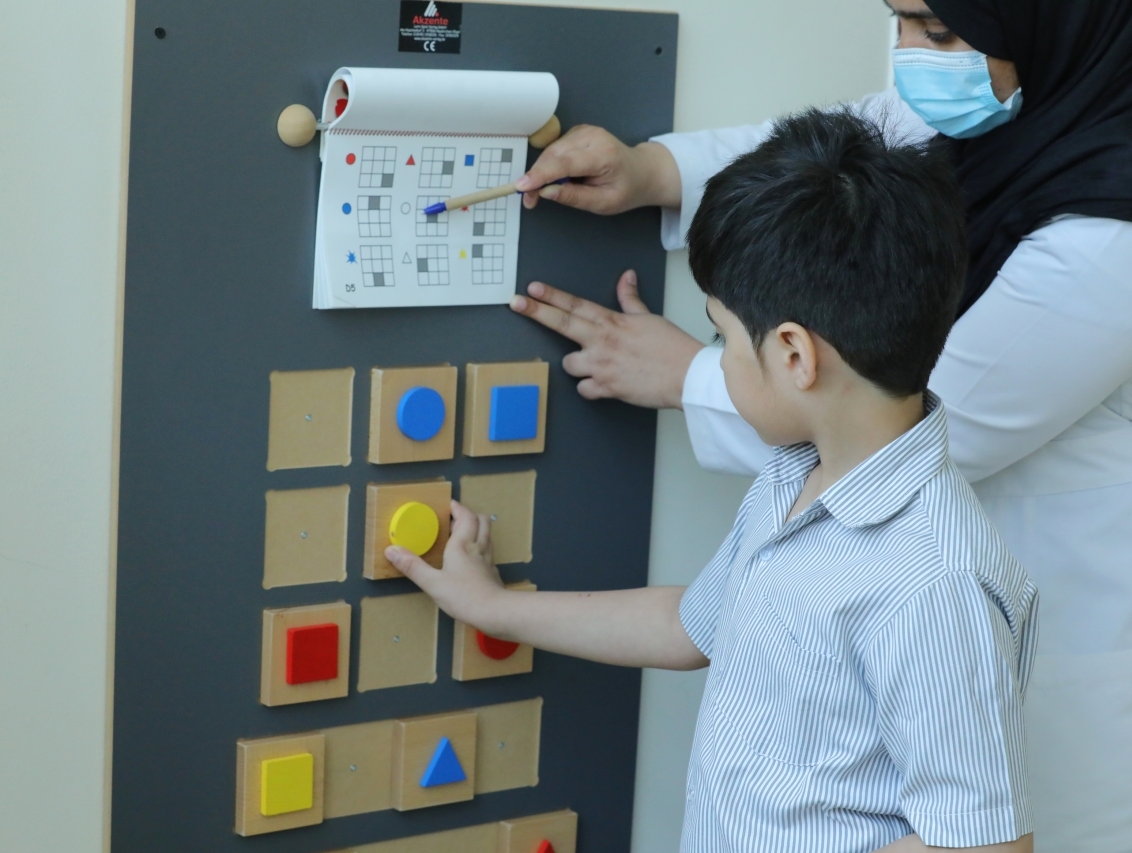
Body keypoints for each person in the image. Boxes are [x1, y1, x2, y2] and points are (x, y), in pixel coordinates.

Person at [506, 1, 1132, 850]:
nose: (911, 59)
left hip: (1081, 618)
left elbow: (947, 412)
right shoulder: (793, 481)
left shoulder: (1131, 225)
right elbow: (853, 148)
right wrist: (654, 170)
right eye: (898, 21)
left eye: (936, 30)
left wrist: (688, 375)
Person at [389, 109, 1037, 853]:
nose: (715, 357)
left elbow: (983, 846)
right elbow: (688, 625)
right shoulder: (796, 474)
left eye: (720, 336)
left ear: (794, 356)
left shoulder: (933, 582)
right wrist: (495, 609)